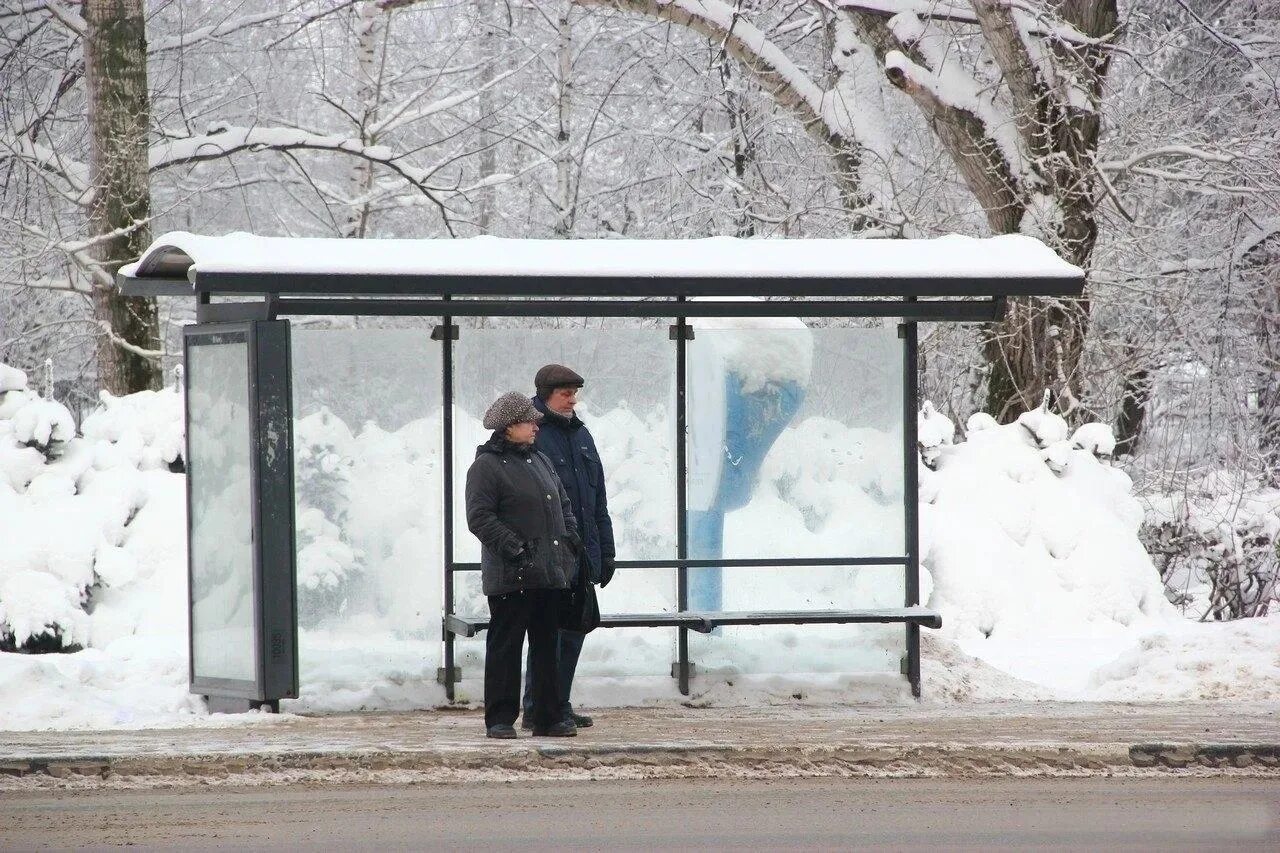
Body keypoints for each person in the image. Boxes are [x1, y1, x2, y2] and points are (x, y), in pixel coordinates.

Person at [465, 391, 583, 739]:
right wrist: (515, 548)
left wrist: (571, 541)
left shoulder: (539, 460)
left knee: (547, 645)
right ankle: (500, 718)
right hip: (512, 574)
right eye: (529, 421)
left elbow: (563, 505)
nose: (536, 426)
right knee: (506, 645)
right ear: (508, 427)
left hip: (549, 573)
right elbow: (479, 518)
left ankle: (546, 716)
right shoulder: (486, 467)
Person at [521, 364, 616, 730]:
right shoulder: (532, 433)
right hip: (549, 555)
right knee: (549, 634)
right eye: (565, 393)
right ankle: (540, 707)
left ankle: (557, 702)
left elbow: (598, 501)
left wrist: (605, 552)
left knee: (574, 630)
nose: (573, 399)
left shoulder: (581, 435)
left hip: (582, 554)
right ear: (546, 394)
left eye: (575, 393)